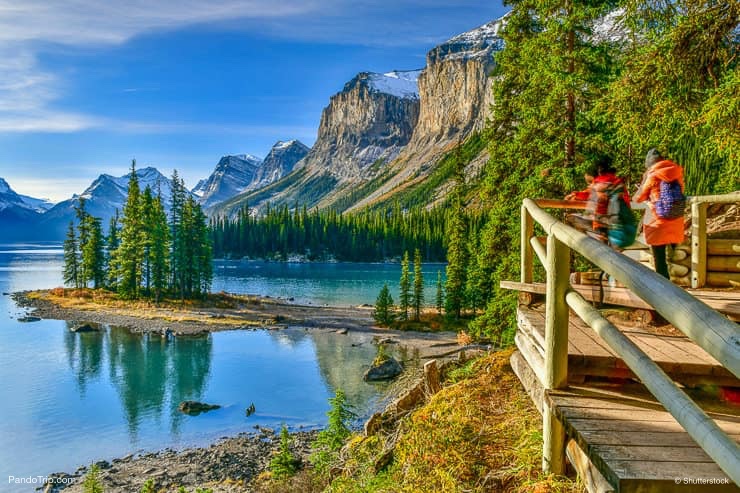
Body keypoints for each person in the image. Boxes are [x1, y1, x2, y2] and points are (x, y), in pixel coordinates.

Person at [634, 148, 685, 279]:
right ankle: (675, 287)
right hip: (675, 219)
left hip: (657, 220)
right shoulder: (676, 173)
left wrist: (643, 181)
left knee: (660, 260)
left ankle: (664, 291)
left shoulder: (652, 175)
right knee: (675, 256)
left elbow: (638, 198)